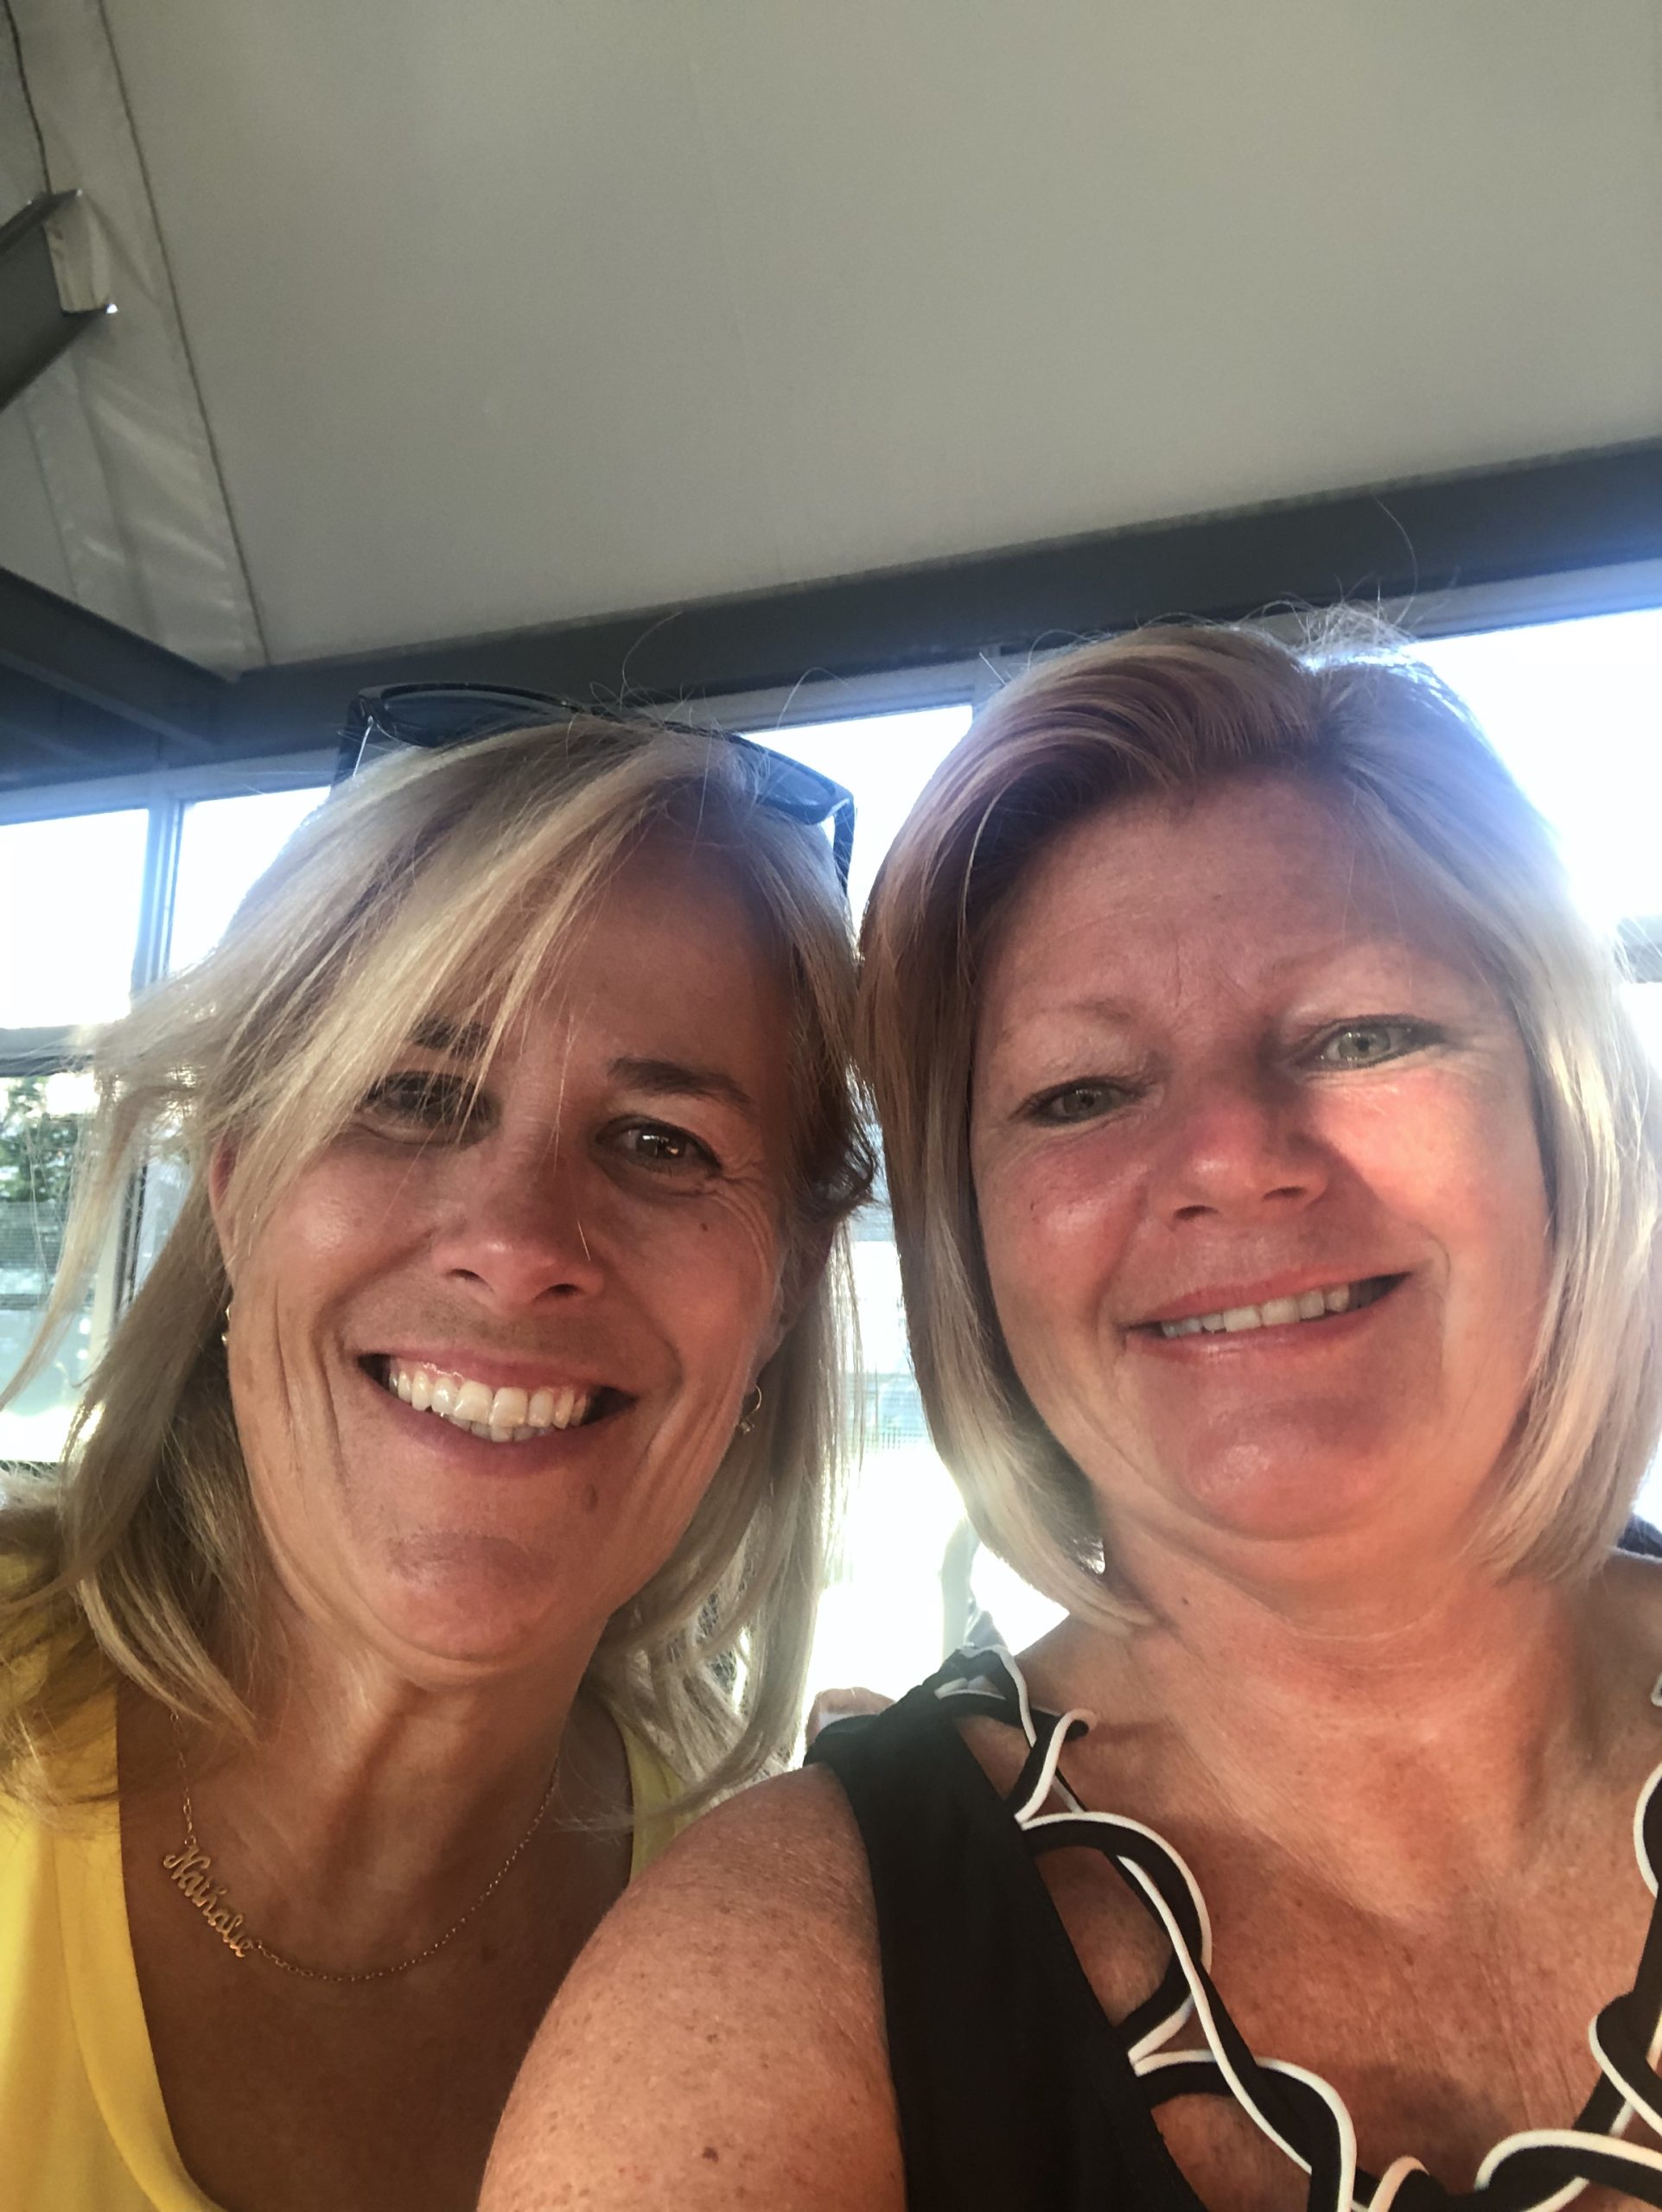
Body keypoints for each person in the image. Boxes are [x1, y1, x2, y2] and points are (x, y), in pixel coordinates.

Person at [484, 625, 1662, 2211]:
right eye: (1083, 1094)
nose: (1231, 1158)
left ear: (1568, 1125)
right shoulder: (775, 1971)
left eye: (1362, 1034)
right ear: (974, 1249)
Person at [0, 692, 871, 2212]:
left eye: (660, 1141)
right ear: (238, 1191)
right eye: (411, 1097)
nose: (521, 1243)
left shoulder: (768, 1962)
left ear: (784, 1291)